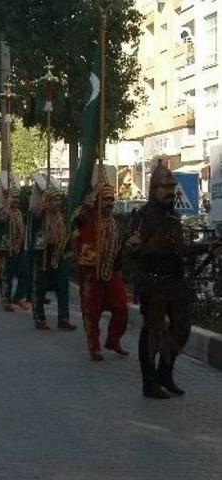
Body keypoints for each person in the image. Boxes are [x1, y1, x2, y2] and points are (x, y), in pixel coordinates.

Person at [126, 162, 220, 399]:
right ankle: (149, 383)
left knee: (181, 329)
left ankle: (164, 374)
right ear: (154, 189)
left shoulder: (172, 216)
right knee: (153, 333)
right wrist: (137, 249)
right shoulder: (145, 216)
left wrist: (207, 247)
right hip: (152, 282)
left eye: (172, 187)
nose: (170, 191)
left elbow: (179, 249)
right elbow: (133, 249)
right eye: (165, 187)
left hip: (174, 282)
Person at [72, 178, 129, 362]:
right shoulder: (87, 218)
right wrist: (89, 199)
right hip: (91, 272)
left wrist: (120, 271)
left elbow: (118, 249)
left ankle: (113, 340)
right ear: (97, 201)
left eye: (112, 200)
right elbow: (76, 218)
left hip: (110, 271)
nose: (109, 204)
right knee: (92, 312)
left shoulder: (113, 223)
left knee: (121, 308)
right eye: (106, 200)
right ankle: (94, 347)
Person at [29, 181, 76, 331]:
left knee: (63, 287)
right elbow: (33, 227)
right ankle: (39, 317)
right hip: (43, 257)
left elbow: (66, 234)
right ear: (47, 201)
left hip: (60, 256)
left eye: (58, 200)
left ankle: (63, 318)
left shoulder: (61, 217)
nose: (57, 203)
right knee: (40, 288)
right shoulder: (39, 215)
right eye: (54, 200)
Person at [0, 187, 29, 309]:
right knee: (6, 276)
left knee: (24, 273)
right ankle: (6, 300)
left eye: (17, 198)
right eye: (13, 197)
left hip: (19, 248)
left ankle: (18, 297)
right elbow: (1, 221)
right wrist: (6, 208)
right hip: (6, 250)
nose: (16, 200)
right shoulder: (2, 213)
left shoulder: (19, 213)